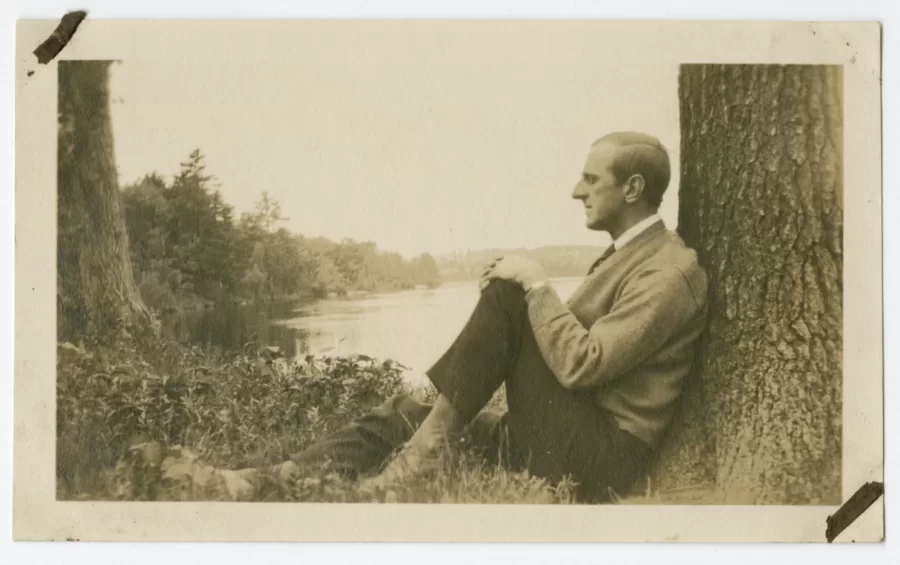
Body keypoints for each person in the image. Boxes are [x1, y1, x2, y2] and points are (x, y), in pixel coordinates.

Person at [243, 131, 708, 503]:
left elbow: (584, 364)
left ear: (632, 188)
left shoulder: (669, 271)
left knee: (509, 294)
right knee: (405, 413)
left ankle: (421, 456)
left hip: (603, 456)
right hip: (565, 430)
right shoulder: (629, 255)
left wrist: (537, 284)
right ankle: (271, 479)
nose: (576, 191)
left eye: (591, 179)